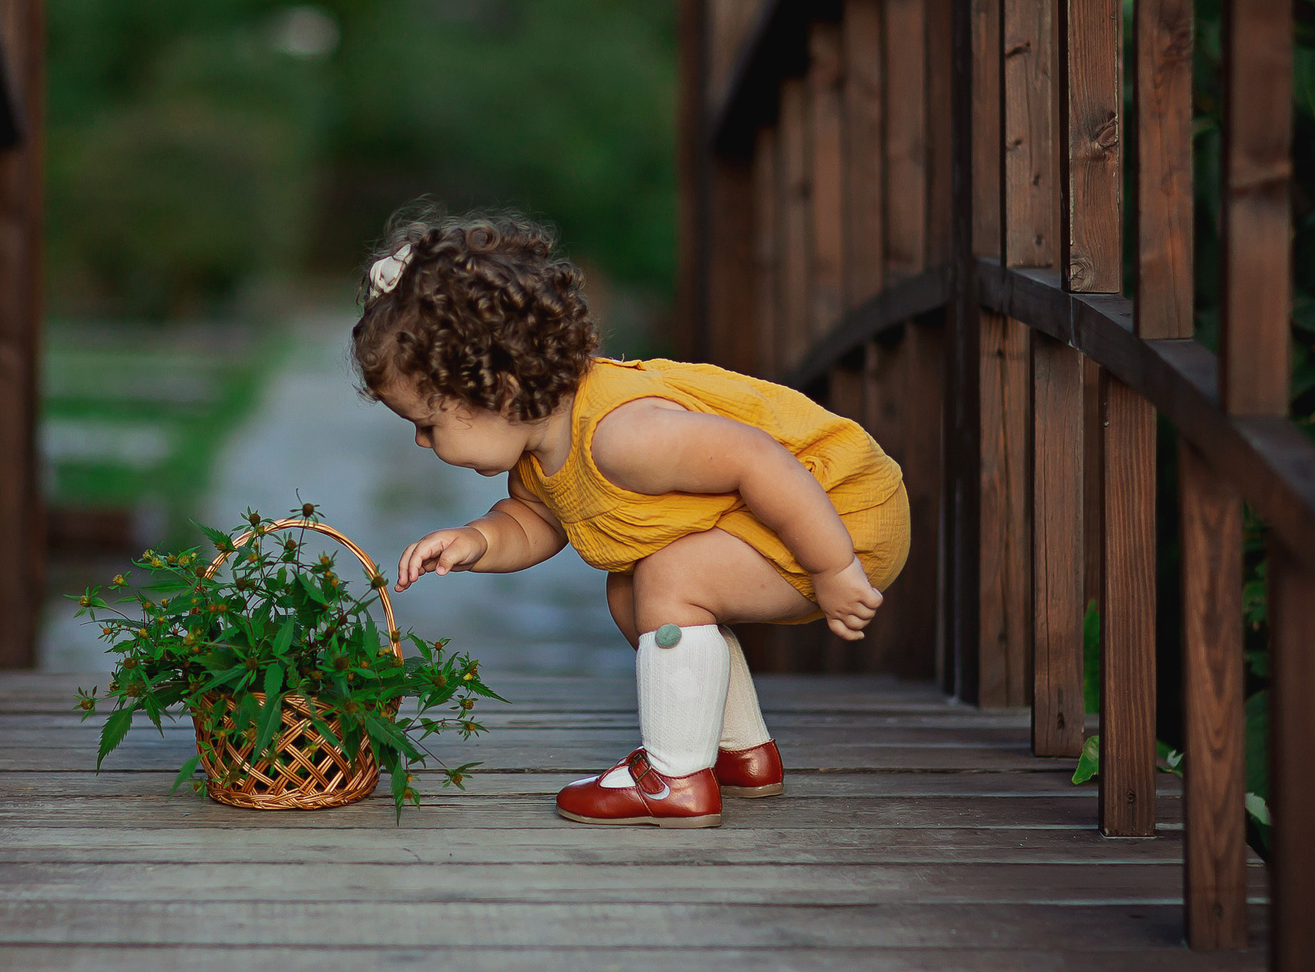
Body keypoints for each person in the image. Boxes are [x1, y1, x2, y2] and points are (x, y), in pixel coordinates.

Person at [355, 209, 908, 828]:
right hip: (788, 519)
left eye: (427, 424)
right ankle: (739, 753)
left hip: (835, 510)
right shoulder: (540, 448)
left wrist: (832, 566)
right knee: (630, 588)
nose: (421, 444)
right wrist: (477, 539)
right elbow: (535, 521)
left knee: (668, 579)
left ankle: (675, 777)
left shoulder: (624, 436)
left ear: (500, 392)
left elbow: (761, 460)